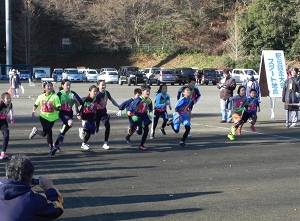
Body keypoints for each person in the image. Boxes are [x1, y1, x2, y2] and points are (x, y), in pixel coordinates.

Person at [0, 154, 63, 220]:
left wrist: (23, 187)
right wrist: (49, 189)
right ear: (30, 178)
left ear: (7, 174)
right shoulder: (33, 200)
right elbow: (56, 210)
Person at [29, 81, 61, 155]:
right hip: (43, 116)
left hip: (52, 118)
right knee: (49, 131)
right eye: (47, 86)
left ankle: (36, 131)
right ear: (44, 88)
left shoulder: (55, 97)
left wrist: (53, 106)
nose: (49, 87)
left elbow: (59, 108)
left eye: (50, 86)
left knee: (44, 134)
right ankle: (51, 148)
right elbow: (35, 105)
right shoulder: (41, 97)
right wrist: (33, 111)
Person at [53, 79, 83, 152]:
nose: (68, 86)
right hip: (62, 113)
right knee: (70, 123)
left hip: (69, 113)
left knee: (63, 129)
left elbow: (80, 104)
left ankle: (56, 144)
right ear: (62, 85)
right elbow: (55, 105)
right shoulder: (59, 94)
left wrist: (75, 100)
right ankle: (61, 136)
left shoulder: (72, 93)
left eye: (69, 85)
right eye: (67, 85)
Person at [127, 84, 153, 150]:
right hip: (137, 116)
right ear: (142, 92)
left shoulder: (149, 100)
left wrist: (151, 113)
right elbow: (130, 110)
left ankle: (141, 145)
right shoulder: (138, 100)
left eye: (149, 91)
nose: (148, 93)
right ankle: (132, 127)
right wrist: (132, 116)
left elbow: (150, 108)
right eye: (147, 91)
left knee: (146, 130)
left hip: (144, 116)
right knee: (139, 132)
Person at [95, 80, 119, 150]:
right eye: (102, 85)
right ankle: (84, 130)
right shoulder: (97, 94)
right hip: (96, 114)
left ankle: (105, 143)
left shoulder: (106, 93)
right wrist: (98, 105)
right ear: (98, 86)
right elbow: (94, 104)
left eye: (104, 85)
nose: (103, 86)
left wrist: (118, 105)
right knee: (95, 130)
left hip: (103, 113)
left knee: (107, 126)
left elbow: (112, 100)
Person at [77, 85, 98, 150]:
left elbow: (96, 108)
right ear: (89, 92)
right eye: (94, 91)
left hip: (92, 117)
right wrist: (78, 113)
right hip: (85, 117)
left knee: (92, 131)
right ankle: (82, 130)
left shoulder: (96, 100)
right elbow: (77, 104)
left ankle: (84, 143)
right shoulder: (85, 99)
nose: (95, 93)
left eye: (96, 91)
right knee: (88, 127)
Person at [0, 92, 14, 159]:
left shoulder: (10, 104)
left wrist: (11, 117)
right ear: (3, 99)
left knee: (6, 136)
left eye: (10, 98)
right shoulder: (1, 105)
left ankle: (3, 153)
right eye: (7, 98)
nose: (9, 99)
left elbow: (11, 110)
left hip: (3, 122)